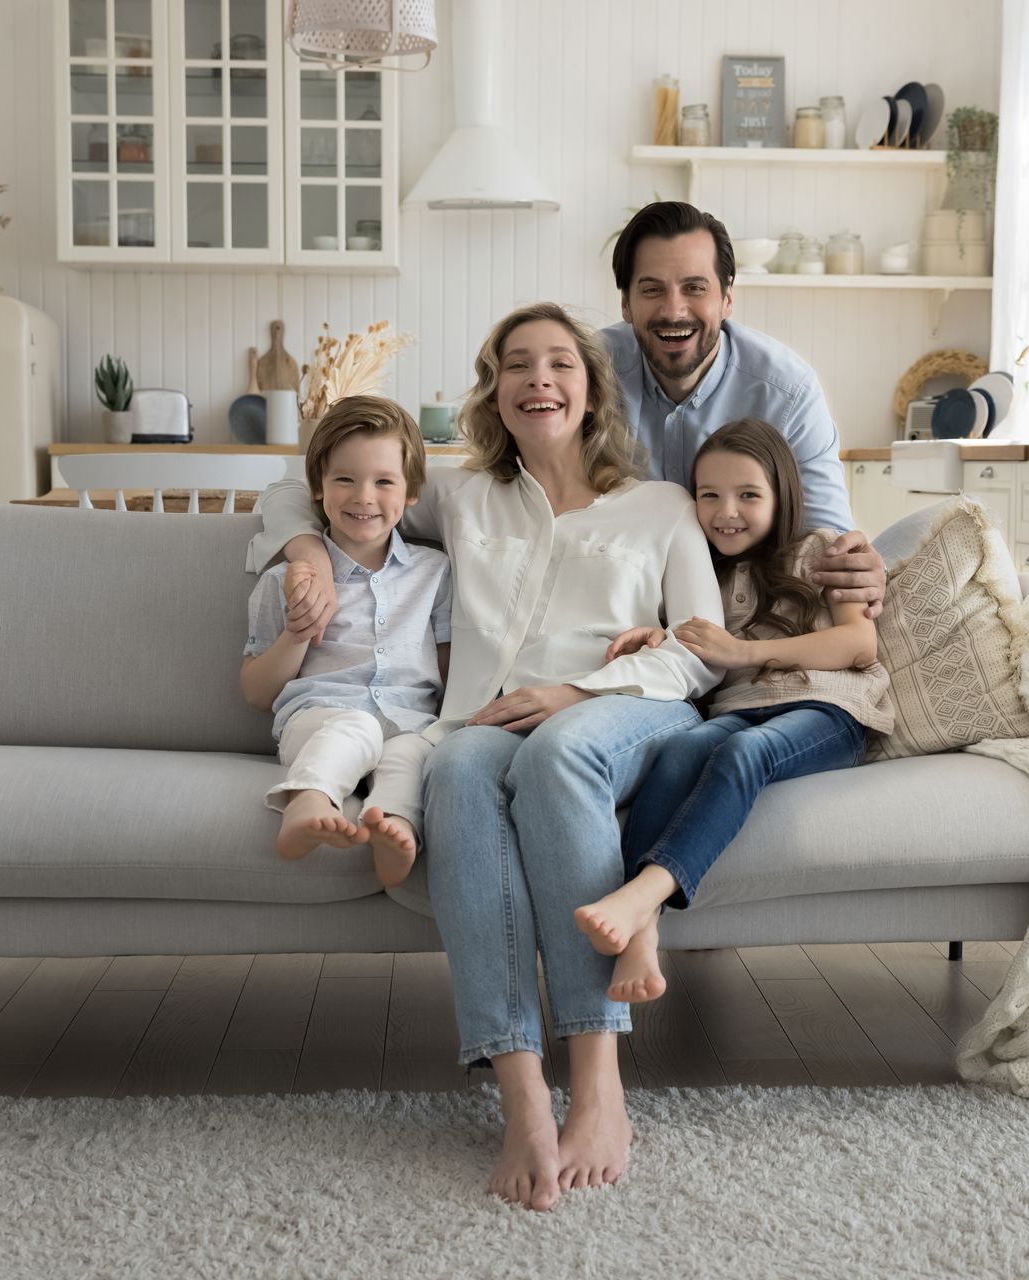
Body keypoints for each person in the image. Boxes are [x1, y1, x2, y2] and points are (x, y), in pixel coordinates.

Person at [246, 303, 722, 1212]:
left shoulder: (659, 505)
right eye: (516, 366)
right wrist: (307, 548)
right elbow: (302, 486)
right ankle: (521, 1101)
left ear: (590, 388)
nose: (538, 379)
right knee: (454, 771)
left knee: (556, 758)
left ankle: (598, 1084)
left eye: (558, 365)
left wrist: (573, 693)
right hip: (481, 726)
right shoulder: (462, 496)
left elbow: (701, 648)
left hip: (619, 712)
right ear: (494, 392)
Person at [576, 419, 896, 1004]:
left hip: (829, 708)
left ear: (782, 496)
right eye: (709, 495)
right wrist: (660, 633)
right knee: (682, 751)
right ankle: (641, 931)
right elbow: (695, 641)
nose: (727, 511)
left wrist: (744, 652)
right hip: (741, 704)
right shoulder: (700, 567)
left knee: (747, 752)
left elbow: (858, 646)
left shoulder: (819, 552)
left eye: (749, 495)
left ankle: (642, 898)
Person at [602, 199, 888, 616]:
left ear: (727, 298)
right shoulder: (584, 375)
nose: (674, 310)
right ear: (626, 303)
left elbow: (825, 540)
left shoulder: (788, 391)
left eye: (695, 288)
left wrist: (857, 569)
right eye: (652, 289)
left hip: (745, 613)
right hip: (620, 608)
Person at [238, 396, 450, 889]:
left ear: (411, 490)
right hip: (319, 718)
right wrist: (296, 632)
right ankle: (308, 798)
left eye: (383, 481)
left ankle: (394, 825)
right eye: (345, 479)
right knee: (355, 727)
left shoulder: (435, 574)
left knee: (413, 755)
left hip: (408, 720)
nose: (364, 497)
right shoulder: (287, 580)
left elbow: (450, 673)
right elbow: (255, 693)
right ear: (318, 486)